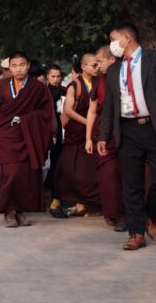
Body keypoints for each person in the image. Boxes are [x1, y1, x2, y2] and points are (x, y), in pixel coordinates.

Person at [98, 22, 156, 250]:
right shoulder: (113, 70)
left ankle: (150, 215)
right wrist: (103, 136)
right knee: (131, 183)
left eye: (114, 39)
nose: (112, 45)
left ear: (126, 39)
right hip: (127, 129)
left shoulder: (152, 60)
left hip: (152, 126)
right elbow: (109, 107)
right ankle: (136, 233)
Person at [0, 51, 54, 227]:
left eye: (22, 65)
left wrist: (26, 119)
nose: (18, 69)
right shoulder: (1, 86)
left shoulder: (38, 88)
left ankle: (19, 210)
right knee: (11, 174)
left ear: (28, 66)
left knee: (24, 175)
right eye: (14, 66)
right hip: (4, 135)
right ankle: (9, 211)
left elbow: (46, 112)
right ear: (9, 68)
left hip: (26, 136)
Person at [85, 46, 126, 232]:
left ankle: (129, 212)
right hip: (102, 132)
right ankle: (114, 214)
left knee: (125, 173)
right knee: (108, 175)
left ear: (111, 60)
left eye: (99, 62)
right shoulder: (98, 81)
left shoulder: (124, 76)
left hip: (124, 130)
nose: (97, 66)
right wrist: (88, 138)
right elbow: (92, 111)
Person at [55, 54, 100, 217]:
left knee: (91, 171)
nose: (96, 68)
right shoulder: (75, 85)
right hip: (78, 132)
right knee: (73, 170)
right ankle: (78, 202)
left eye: (97, 65)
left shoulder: (98, 82)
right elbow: (68, 110)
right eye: (93, 65)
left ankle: (87, 204)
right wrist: (88, 122)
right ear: (83, 67)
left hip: (93, 133)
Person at [44, 64, 65, 214]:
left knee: (58, 162)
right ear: (47, 76)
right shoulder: (43, 92)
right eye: (53, 76)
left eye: (58, 76)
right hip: (46, 128)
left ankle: (55, 195)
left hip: (62, 128)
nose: (55, 79)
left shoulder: (65, 91)